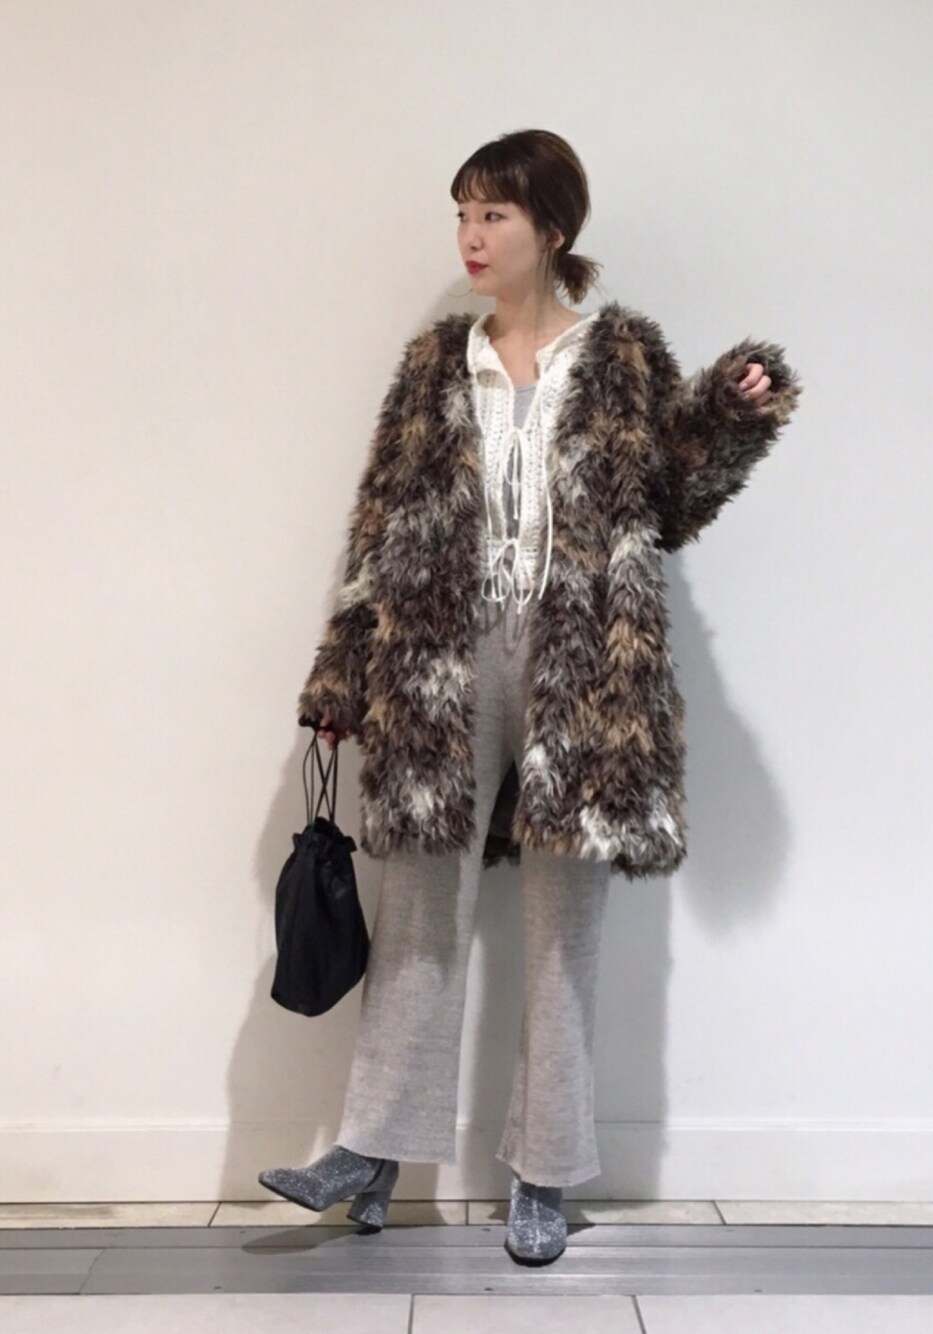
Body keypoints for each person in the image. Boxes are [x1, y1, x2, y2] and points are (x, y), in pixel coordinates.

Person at [259, 128, 800, 1267]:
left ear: (551, 227)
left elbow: (670, 499)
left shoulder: (621, 355)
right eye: (461, 212)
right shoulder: (432, 365)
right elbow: (380, 527)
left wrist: (730, 412)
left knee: (563, 933)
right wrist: (342, 674)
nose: (470, 234)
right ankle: (368, 1153)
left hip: (582, 663)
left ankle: (545, 1171)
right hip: (440, 656)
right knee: (420, 915)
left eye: (493, 214)